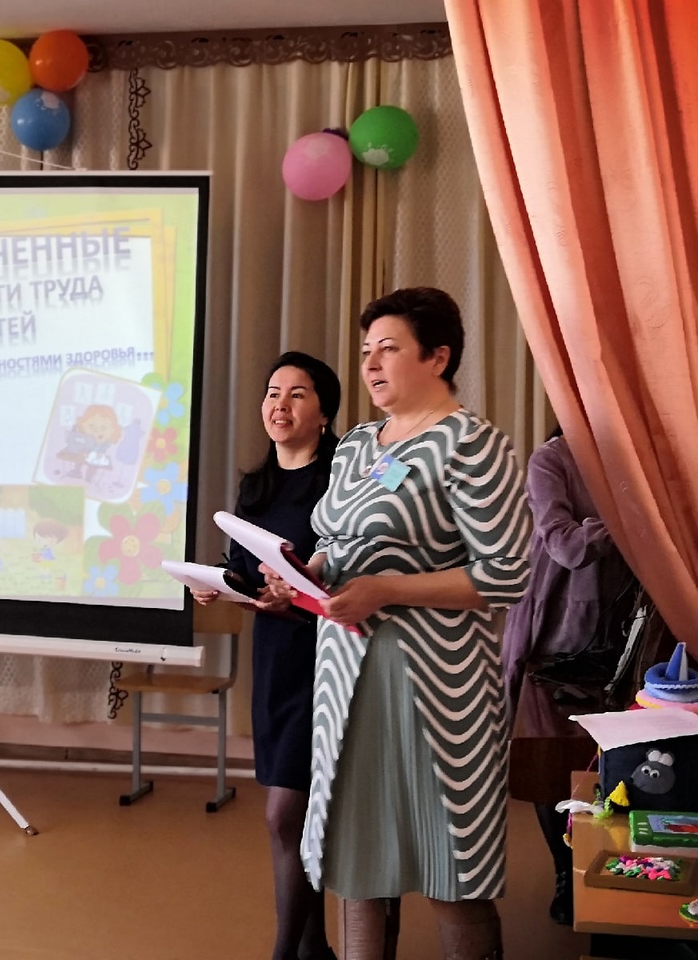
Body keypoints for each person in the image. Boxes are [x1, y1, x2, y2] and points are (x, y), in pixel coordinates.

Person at [269, 289, 531, 960]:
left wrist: (387, 589)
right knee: (358, 866)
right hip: (345, 676)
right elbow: (337, 540)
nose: (371, 365)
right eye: (366, 352)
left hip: (434, 686)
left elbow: (508, 572)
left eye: (388, 349)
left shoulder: (472, 444)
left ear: (438, 357)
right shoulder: (358, 445)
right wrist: (302, 573)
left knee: (453, 869)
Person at [191, 351, 340, 960]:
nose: (280, 405)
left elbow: (340, 571)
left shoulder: (336, 482)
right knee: (290, 814)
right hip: (275, 657)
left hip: (324, 658)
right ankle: (314, 949)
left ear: (324, 413)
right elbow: (245, 570)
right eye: (273, 392)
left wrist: (295, 590)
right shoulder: (256, 486)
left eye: (297, 394)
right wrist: (216, 582)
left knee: (285, 813)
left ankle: (286, 952)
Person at [502, 426, 637, 925]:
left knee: (615, 759)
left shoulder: (633, 457)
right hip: (556, 631)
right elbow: (565, 545)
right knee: (552, 760)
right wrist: (627, 523)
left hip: (624, 628)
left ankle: (613, 863)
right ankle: (565, 870)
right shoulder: (551, 459)